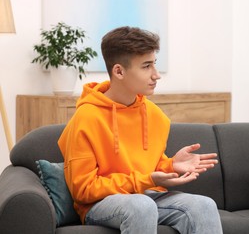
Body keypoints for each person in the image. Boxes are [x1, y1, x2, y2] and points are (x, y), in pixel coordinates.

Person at [58, 26, 223, 234]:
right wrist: (148, 180)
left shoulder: (154, 115)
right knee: (140, 206)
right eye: (146, 66)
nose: (156, 75)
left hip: (146, 196)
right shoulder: (86, 118)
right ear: (119, 71)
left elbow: (149, 167)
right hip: (100, 204)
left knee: (204, 205)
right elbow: (83, 190)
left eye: (154, 64)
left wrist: (171, 165)